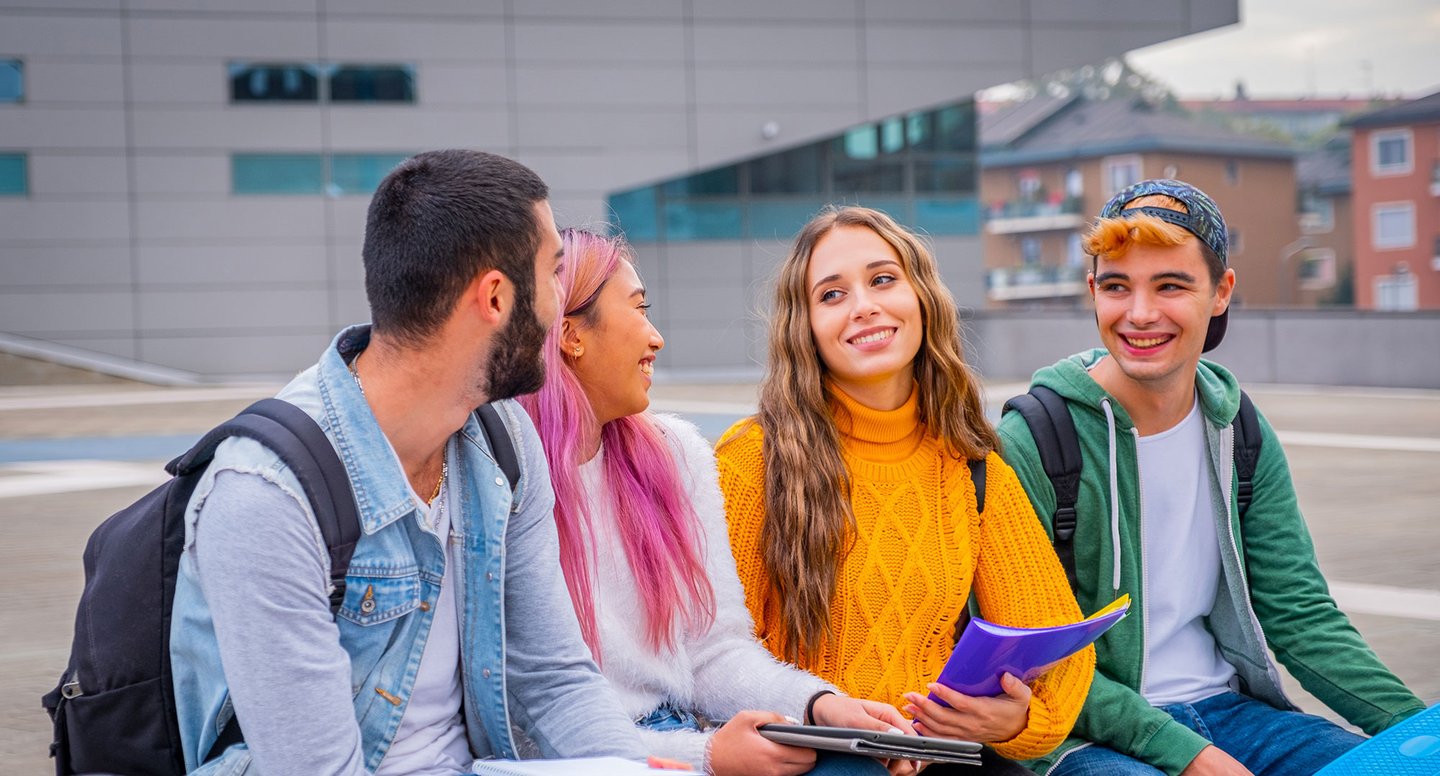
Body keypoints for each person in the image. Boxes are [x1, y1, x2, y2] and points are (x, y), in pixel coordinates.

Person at [169, 150, 648, 775]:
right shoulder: (267, 495)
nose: (562, 303)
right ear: (496, 297)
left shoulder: (503, 443)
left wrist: (628, 767)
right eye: (554, 272)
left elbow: (553, 678)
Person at [996, 179, 1427, 776]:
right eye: (1117, 287)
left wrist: (1416, 733)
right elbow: (1030, 655)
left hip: (1230, 709)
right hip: (1087, 731)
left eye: (1171, 285)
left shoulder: (1240, 429)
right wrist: (1190, 757)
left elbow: (1299, 616)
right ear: (1093, 292)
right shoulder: (1034, 440)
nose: (1140, 313)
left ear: (1221, 291)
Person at [519, 228, 916, 776]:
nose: (656, 337)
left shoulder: (674, 455)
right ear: (570, 336)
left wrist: (821, 706)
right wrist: (707, 756)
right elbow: (530, 722)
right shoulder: (506, 480)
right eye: (638, 309)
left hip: (677, 732)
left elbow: (713, 652)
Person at [715, 206, 1095, 772]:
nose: (864, 305)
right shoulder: (753, 460)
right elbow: (710, 656)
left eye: (883, 280)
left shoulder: (970, 466)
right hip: (808, 758)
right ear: (805, 328)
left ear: (922, 299)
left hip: (936, 757)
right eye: (832, 294)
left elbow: (1059, 646)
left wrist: (1019, 721)